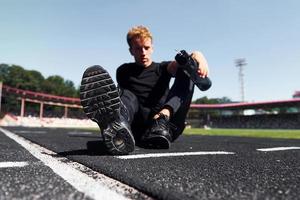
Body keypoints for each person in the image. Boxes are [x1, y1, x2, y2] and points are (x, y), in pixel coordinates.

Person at [80, 25, 211, 155]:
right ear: (131, 50)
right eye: (138, 48)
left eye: (146, 48)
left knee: (186, 68)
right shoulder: (123, 71)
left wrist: (197, 55)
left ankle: (162, 118)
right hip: (137, 128)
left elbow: (175, 65)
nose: (143, 52)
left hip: (167, 125)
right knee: (127, 94)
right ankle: (119, 120)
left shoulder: (162, 68)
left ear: (152, 48)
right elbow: (127, 98)